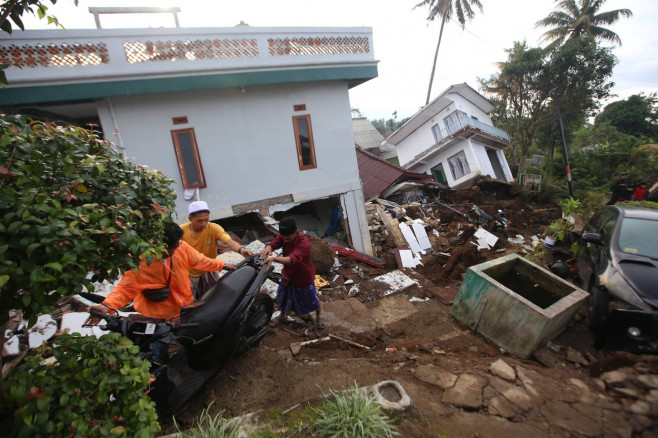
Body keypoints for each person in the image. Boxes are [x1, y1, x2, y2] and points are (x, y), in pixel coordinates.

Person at [88, 223, 236, 361]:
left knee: (186, 337)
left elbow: (199, 260)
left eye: (175, 246)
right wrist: (107, 306)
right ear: (156, 244)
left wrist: (222, 265)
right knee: (157, 349)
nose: (173, 251)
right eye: (169, 249)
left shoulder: (181, 247)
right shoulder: (140, 260)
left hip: (182, 307)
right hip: (155, 315)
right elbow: (125, 289)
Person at [258, 217, 324, 329]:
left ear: (295, 232)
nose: (285, 240)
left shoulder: (304, 243)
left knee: (311, 299)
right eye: (284, 238)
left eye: (288, 238)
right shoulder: (283, 237)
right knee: (283, 297)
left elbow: (291, 259)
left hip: (303, 276)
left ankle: (319, 315)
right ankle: (282, 316)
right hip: (288, 275)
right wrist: (268, 249)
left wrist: (274, 259)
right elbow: (274, 243)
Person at [181, 200, 253, 299]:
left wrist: (241, 250)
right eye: (200, 220)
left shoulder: (214, 228)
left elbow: (229, 242)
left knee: (216, 296)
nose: (204, 223)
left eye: (206, 219)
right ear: (190, 219)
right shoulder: (181, 232)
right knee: (190, 302)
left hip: (210, 269)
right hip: (190, 274)